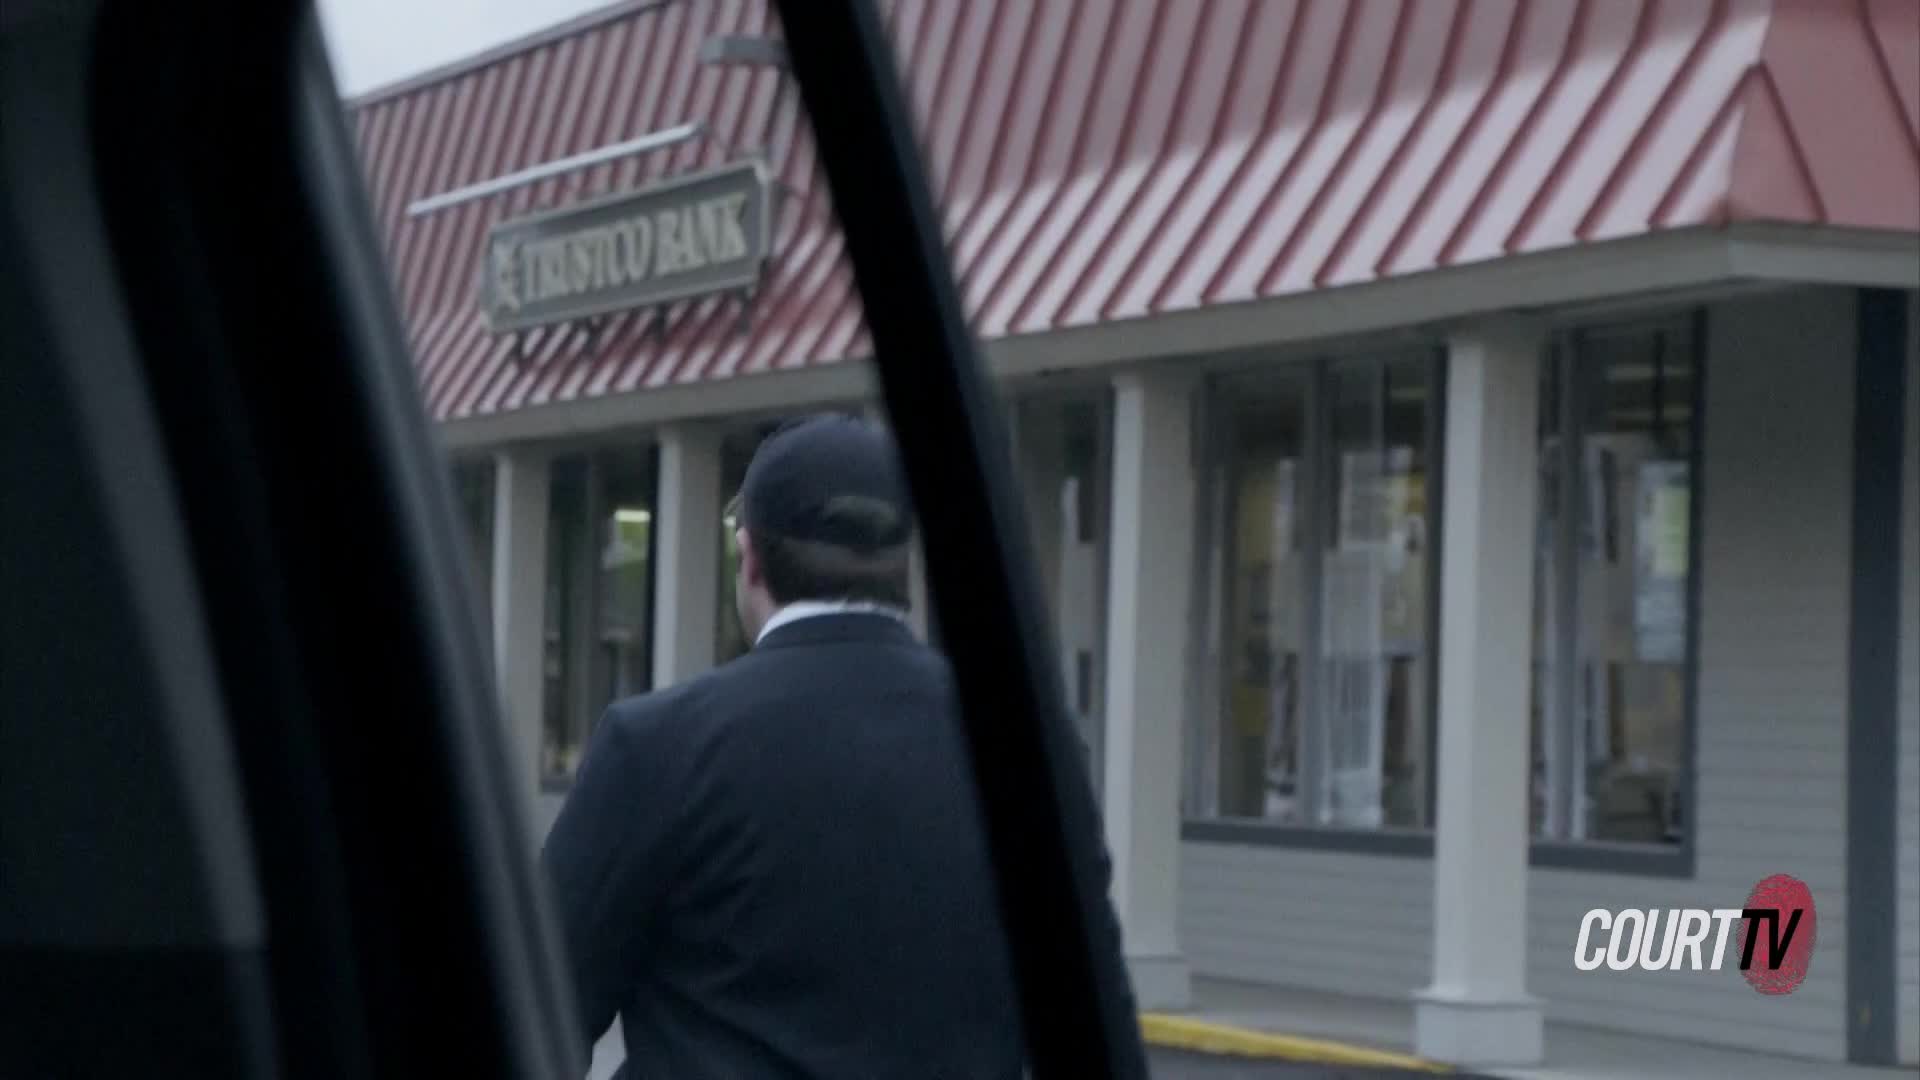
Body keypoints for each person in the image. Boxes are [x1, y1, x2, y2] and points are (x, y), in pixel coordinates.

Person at [541, 413, 1026, 1079]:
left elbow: (536, 1007)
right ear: (900, 562)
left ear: (751, 558)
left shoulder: (655, 746)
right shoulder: (1023, 749)